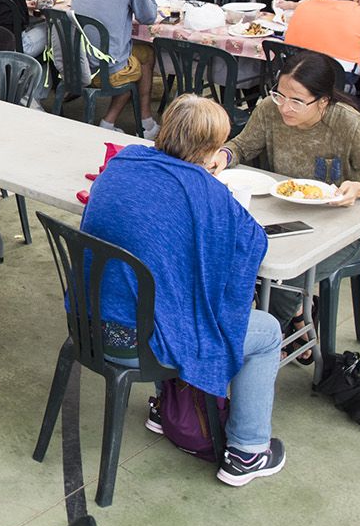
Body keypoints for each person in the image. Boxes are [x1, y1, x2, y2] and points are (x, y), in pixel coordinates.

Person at [80, 96, 284, 486]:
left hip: (89, 324)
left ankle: (163, 407)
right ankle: (247, 449)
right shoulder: (204, 192)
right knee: (267, 332)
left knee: (165, 289)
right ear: (210, 150)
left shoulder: (123, 162)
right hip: (142, 343)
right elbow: (252, 244)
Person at [222, 51, 360, 335]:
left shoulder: (348, 124)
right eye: (280, 95)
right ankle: (296, 317)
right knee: (231, 260)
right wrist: (223, 155)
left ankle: (267, 341)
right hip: (282, 219)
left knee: (282, 281)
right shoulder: (269, 110)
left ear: (323, 101)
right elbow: (242, 146)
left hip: (339, 232)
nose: (285, 107)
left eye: (297, 101)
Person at [73, 0, 159, 136]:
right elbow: (148, 17)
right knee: (146, 55)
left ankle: (136, 121)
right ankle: (139, 121)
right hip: (106, 67)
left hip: (77, 59)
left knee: (134, 53)